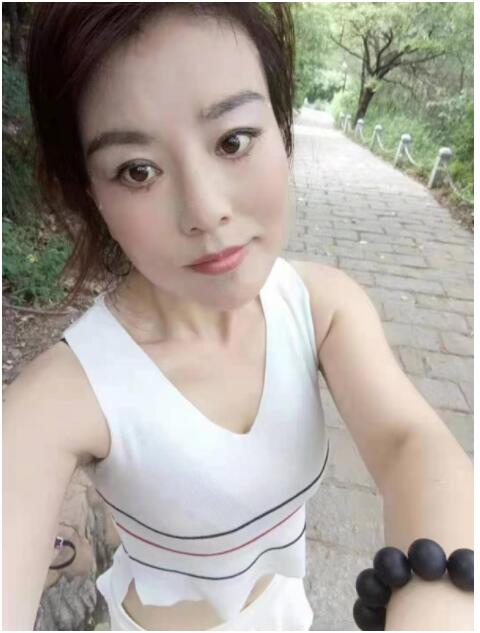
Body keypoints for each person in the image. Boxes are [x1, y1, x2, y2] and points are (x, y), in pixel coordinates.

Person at [3, 3, 473, 632]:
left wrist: (438, 598)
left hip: (289, 612)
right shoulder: (62, 395)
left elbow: (408, 441)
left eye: (233, 140)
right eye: (138, 171)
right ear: (92, 194)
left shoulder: (321, 307)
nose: (204, 210)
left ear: (282, 128)